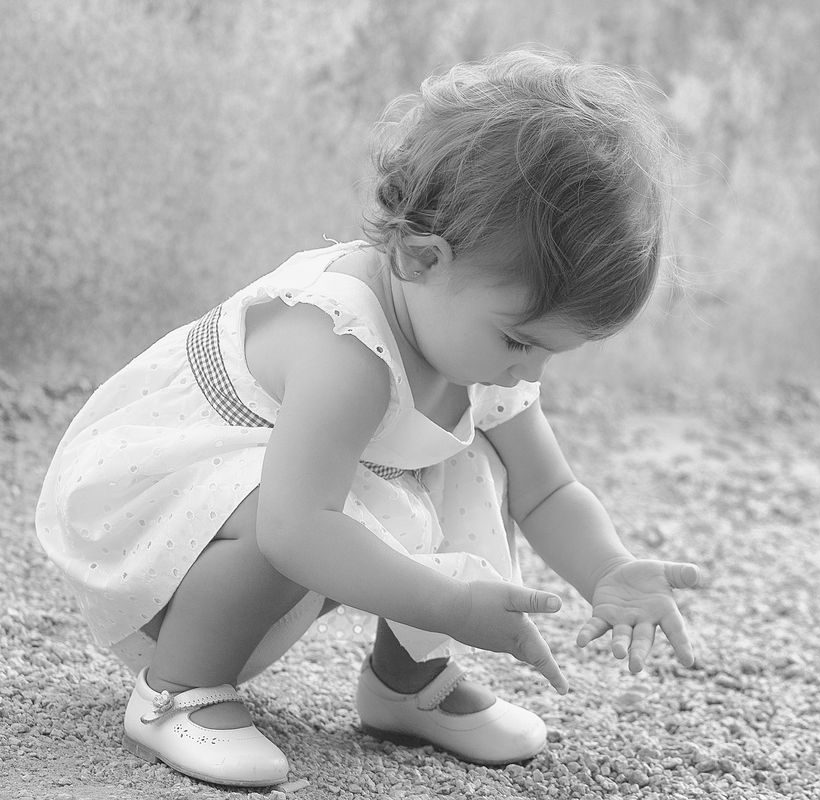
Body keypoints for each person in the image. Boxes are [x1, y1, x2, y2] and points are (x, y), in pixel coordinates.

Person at [34, 48, 702, 788]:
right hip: (168, 533)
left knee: (478, 463)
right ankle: (178, 689)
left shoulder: (467, 337)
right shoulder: (342, 344)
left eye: (550, 351)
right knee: (274, 505)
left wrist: (608, 570)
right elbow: (297, 529)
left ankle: (404, 684)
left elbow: (546, 489)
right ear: (422, 259)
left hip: (302, 515)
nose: (529, 371)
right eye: (519, 340)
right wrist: (447, 601)